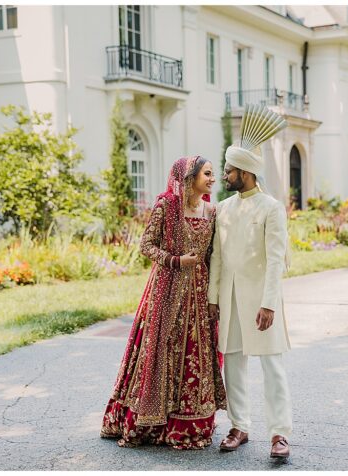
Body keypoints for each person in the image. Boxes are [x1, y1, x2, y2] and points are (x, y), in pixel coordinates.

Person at [100, 156, 227, 450]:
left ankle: (188, 422)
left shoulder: (212, 211)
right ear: (190, 177)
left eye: (213, 175)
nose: (212, 179)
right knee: (160, 349)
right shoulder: (167, 206)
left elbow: (213, 255)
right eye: (207, 174)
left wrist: (215, 295)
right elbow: (146, 245)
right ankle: (153, 420)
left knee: (195, 354)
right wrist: (175, 260)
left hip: (199, 293)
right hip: (166, 289)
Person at [208, 104, 293, 459]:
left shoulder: (271, 208)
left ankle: (279, 434)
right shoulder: (223, 209)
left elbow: (276, 260)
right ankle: (239, 426)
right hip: (228, 300)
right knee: (234, 365)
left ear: (245, 172)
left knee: (272, 366)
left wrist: (270, 302)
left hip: (261, 302)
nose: (224, 175)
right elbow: (217, 257)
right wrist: (213, 298)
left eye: (228, 170)